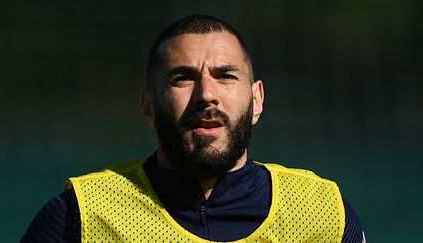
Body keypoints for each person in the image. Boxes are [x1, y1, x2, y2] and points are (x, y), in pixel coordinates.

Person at [21, 14, 365, 242]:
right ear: (148, 105)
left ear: (256, 99)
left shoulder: (323, 214)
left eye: (225, 76)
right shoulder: (79, 218)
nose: (206, 95)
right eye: (183, 78)